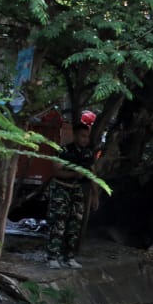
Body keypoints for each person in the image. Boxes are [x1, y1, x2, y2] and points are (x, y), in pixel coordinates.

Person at [47, 110, 97, 268]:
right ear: (75, 135)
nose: (85, 139)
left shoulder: (88, 153)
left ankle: (69, 257)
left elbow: (92, 174)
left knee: (75, 224)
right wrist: (73, 174)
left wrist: (95, 195)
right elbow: (56, 171)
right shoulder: (64, 151)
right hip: (61, 189)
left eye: (87, 136)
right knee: (58, 223)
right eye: (82, 136)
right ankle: (52, 256)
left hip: (77, 191)